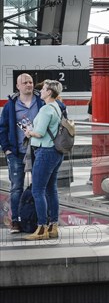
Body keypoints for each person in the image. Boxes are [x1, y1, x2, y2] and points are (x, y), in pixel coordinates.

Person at [0, 73, 44, 234]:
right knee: (16, 188)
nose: (29, 85)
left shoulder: (41, 102)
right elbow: (2, 128)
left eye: (31, 82)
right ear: (18, 86)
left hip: (38, 151)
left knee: (39, 187)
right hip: (17, 153)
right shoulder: (11, 105)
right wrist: (7, 149)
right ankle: (16, 220)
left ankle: (39, 220)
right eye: (25, 82)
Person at [23, 80, 65, 240]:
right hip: (55, 152)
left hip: (45, 152)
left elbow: (40, 132)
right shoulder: (57, 107)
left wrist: (29, 132)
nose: (41, 91)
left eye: (44, 89)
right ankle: (53, 226)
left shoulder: (47, 109)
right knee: (51, 189)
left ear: (49, 92)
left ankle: (41, 229)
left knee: (37, 190)